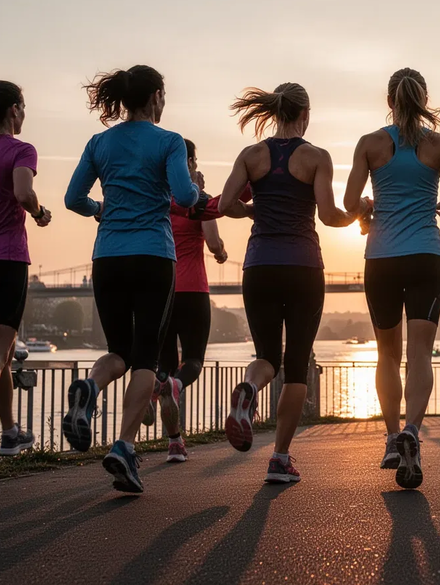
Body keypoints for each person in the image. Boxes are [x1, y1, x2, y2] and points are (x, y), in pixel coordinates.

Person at [219, 82, 369, 484]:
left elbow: (222, 205)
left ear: (274, 112)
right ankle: (280, 458)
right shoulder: (316, 157)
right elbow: (328, 216)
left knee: (267, 357)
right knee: (297, 366)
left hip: (260, 266)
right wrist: (358, 217)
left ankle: (249, 387)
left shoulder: (251, 155)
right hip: (303, 267)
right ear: (304, 115)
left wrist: (253, 211)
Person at [63, 65, 200, 493]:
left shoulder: (99, 142)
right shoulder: (169, 141)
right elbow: (183, 196)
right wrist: (194, 188)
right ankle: (124, 446)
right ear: (156, 96)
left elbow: (72, 199)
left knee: (117, 351)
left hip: (107, 258)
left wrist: (99, 209)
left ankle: (90, 384)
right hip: (153, 258)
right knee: (144, 358)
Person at [344, 68, 440, 489]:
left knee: (386, 353)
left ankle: (389, 438)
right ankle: (412, 432)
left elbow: (348, 203)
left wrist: (367, 207)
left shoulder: (370, 144)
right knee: (420, 352)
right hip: (425, 257)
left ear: (389, 100)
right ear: (424, 97)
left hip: (381, 258)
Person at [142, 139, 247, 464]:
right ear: (188, 161)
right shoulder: (196, 201)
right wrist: (221, 252)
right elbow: (213, 241)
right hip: (194, 290)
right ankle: (171, 389)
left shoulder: (159, 199)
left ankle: (174, 441)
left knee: (163, 369)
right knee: (192, 363)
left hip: (161, 289)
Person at [0, 81, 51, 456]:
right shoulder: (21, 150)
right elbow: (22, 193)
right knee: (0, 350)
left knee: (5, 350)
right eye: (24, 106)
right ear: (14, 110)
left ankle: (10, 432)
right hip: (8, 258)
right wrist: (39, 212)